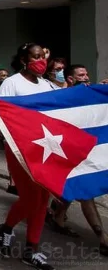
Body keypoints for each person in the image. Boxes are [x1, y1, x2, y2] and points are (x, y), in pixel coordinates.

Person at [0, 43, 57, 270]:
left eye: (44, 57)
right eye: (36, 57)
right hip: (21, 150)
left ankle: (32, 249)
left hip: (47, 149)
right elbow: (2, 116)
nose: (41, 61)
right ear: (24, 60)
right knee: (30, 198)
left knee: (42, 200)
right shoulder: (12, 83)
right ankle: (7, 227)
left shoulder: (48, 85)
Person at [45, 64, 108, 256]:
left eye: (87, 73)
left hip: (88, 151)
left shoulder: (91, 93)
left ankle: (57, 217)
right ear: (70, 79)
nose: (86, 77)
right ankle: (103, 238)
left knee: (72, 187)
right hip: (67, 153)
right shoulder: (61, 98)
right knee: (85, 192)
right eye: (81, 75)